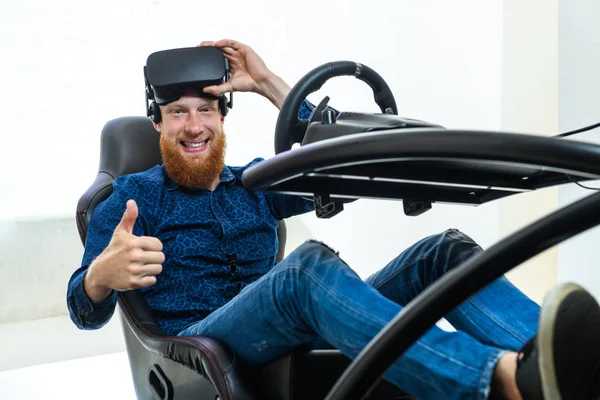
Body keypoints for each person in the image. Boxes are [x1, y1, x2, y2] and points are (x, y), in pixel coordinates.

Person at [67, 39, 600, 400]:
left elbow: (339, 157)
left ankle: (569, 374)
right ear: (157, 122)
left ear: (223, 115)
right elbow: (82, 311)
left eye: (205, 109)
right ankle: (502, 382)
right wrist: (98, 277)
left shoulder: (253, 183)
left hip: (285, 326)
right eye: (177, 112)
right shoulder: (130, 198)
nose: (193, 125)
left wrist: (271, 82)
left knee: (442, 251)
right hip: (200, 348)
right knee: (305, 270)